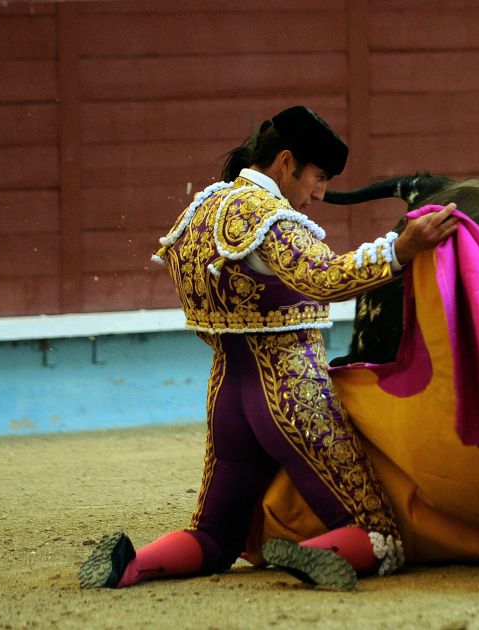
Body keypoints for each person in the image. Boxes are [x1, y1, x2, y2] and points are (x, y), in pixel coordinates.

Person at [78, 105, 458, 590]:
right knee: (379, 535)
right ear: (285, 163)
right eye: (318, 177)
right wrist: (400, 249)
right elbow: (325, 277)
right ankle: (311, 554)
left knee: (215, 535)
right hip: (291, 392)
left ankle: (130, 567)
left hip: (228, 395)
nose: (320, 193)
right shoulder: (271, 220)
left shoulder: (202, 209)